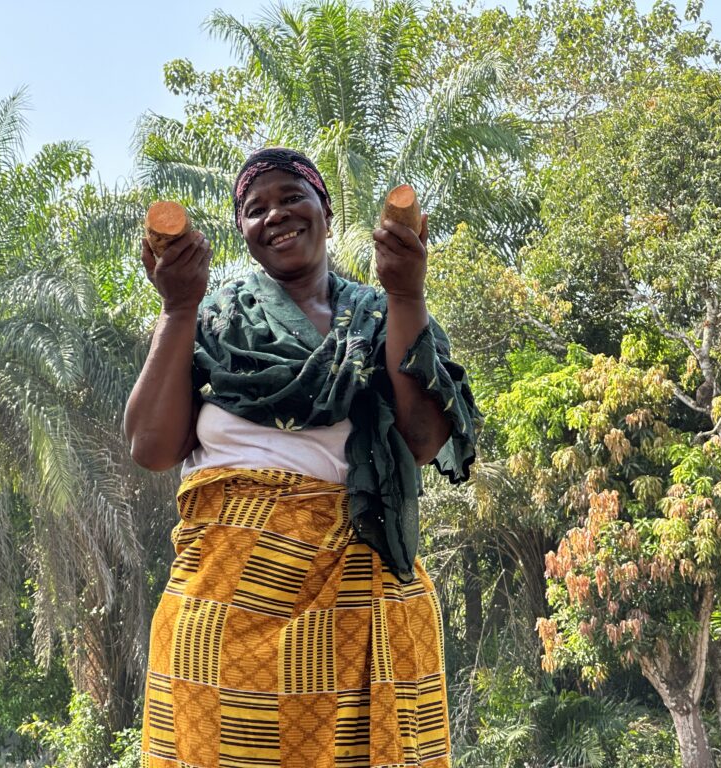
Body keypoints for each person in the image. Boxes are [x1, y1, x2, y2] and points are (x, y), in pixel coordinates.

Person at [125, 147, 481, 768]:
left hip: (359, 592)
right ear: (241, 230)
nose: (276, 215)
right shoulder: (213, 319)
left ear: (325, 209)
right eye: (255, 208)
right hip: (222, 605)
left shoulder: (377, 313)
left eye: (292, 197)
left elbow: (423, 439)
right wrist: (178, 308)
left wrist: (407, 295)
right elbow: (150, 447)